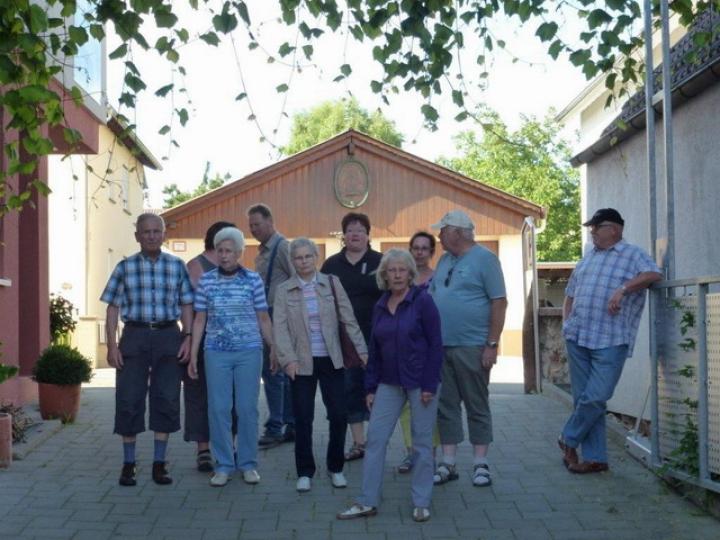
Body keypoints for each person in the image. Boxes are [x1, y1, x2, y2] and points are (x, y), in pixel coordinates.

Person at [337, 249, 443, 523]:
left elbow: (435, 345)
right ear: (384, 275)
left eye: (401, 270)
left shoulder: (423, 301)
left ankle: (421, 501)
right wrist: (370, 387)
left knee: (421, 444)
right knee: (375, 440)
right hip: (387, 382)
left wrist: (430, 384)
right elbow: (375, 349)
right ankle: (367, 501)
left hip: (421, 382)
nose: (396, 275)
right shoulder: (381, 305)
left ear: (410, 273)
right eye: (391, 270)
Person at [559, 208, 662, 474]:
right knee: (584, 399)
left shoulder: (632, 253)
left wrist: (623, 289)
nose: (592, 232)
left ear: (614, 229)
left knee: (596, 396)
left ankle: (568, 438)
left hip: (611, 339)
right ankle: (596, 459)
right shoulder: (588, 257)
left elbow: (653, 274)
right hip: (578, 337)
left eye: (596, 227)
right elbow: (570, 294)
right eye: (591, 228)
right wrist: (567, 324)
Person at [101, 213, 194, 487]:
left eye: (156, 231)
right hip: (135, 335)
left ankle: (159, 464)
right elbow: (112, 308)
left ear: (164, 234)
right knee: (129, 398)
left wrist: (188, 337)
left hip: (168, 335)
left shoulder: (177, 266)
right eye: (146, 231)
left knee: (166, 397)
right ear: (137, 236)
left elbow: (187, 304)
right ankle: (128, 464)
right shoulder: (124, 267)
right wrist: (112, 344)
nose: (152, 236)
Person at [273, 238, 368, 493]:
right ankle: (305, 472)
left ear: (316, 257)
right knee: (303, 418)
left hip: (332, 359)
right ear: (292, 261)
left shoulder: (331, 283)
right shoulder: (284, 290)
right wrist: (288, 360)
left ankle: (335, 467)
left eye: (308, 256)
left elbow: (348, 319)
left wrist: (362, 351)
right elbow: (279, 328)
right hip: (301, 362)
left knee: (338, 414)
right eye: (298, 257)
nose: (303, 261)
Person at [188, 227, 274, 487]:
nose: (224, 255)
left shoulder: (253, 280)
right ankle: (224, 464)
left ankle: (248, 464)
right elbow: (200, 319)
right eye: (220, 251)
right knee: (218, 409)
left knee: (246, 409)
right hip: (216, 352)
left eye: (229, 251)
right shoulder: (207, 281)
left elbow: (263, 317)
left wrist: (274, 349)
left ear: (239, 253)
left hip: (249, 351)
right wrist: (193, 354)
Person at [429, 210, 507, 488]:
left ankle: (480, 464)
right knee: (445, 405)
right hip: (442, 346)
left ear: (457, 233)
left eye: (442, 231)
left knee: (476, 404)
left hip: (473, 345)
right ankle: (448, 463)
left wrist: (492, 345)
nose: (439, 236)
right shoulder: (444, 260)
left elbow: (499, 302)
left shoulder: (486, 259)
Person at [321, 212, 383, 461]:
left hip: (377, 336)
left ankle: (378, 442)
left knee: (378, 389)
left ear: (368, 235)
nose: (355, 234)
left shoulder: (381, 262)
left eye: (360, 230)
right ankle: (359, 443)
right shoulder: (331, 265)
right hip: (343, 339)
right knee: (349, 388)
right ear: (343, 235)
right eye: (350, 230)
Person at [184, 220, 235, 472]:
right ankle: (203, 449)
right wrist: (189, 338)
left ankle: (230, 446)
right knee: (200, 394)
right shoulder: (196, 266)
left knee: (231, 395)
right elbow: (192, 306)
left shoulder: (234, 267)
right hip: (202, 339)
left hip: (232, 341)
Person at [248, 203, 295, 447]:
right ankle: (290, 423)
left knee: (273, 370)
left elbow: (298, 279)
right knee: (279, 372)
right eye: (251, 226)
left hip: (277, 315)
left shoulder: (283, 247)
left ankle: (275, 426)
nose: (253, 229)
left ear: (270, 221)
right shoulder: (264, 251)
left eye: (257, 224)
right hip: (267, 314)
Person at [397, 231, 439, 473]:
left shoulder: (439, 279)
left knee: (427, 401)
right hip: (405, 348)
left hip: (431, 346)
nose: (420, 252)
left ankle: (429, 455)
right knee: (405, 406)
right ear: (410, 250)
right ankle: (410, 452)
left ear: (432, 252)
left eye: (425, 248)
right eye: (416, 248)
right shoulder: (403, 280)